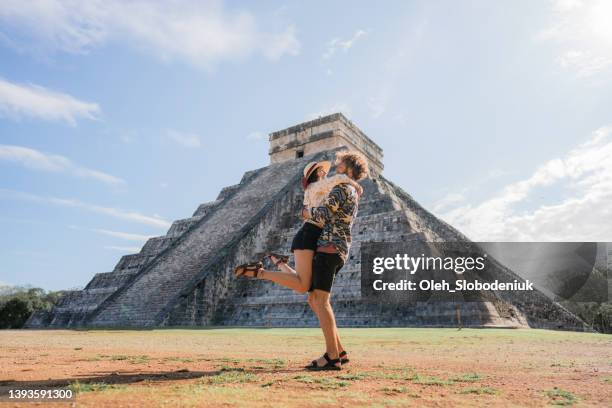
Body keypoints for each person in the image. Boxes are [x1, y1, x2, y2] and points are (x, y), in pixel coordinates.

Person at [235, 150, 369, 371]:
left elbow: (322, 215)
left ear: (349, 167)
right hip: (336, 246)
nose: (336, 167)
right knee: (313, 299)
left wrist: (307, 214)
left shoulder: (341, 187)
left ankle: (332, 356)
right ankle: (339, 352)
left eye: (340, 164)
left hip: (328, 247)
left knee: (319, 300)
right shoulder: (351, 190)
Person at [234, 158, 362, 294]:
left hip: (315, 234)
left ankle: (278, 263)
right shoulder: (317, 186)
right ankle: (259, 272)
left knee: (305, 285)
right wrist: (356, 186)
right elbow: (339, 179)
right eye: (323, 170)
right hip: (310, 233)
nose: (326, 172)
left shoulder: (311, 190)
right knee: (304, 286)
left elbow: (306, 211)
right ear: (318, 172)